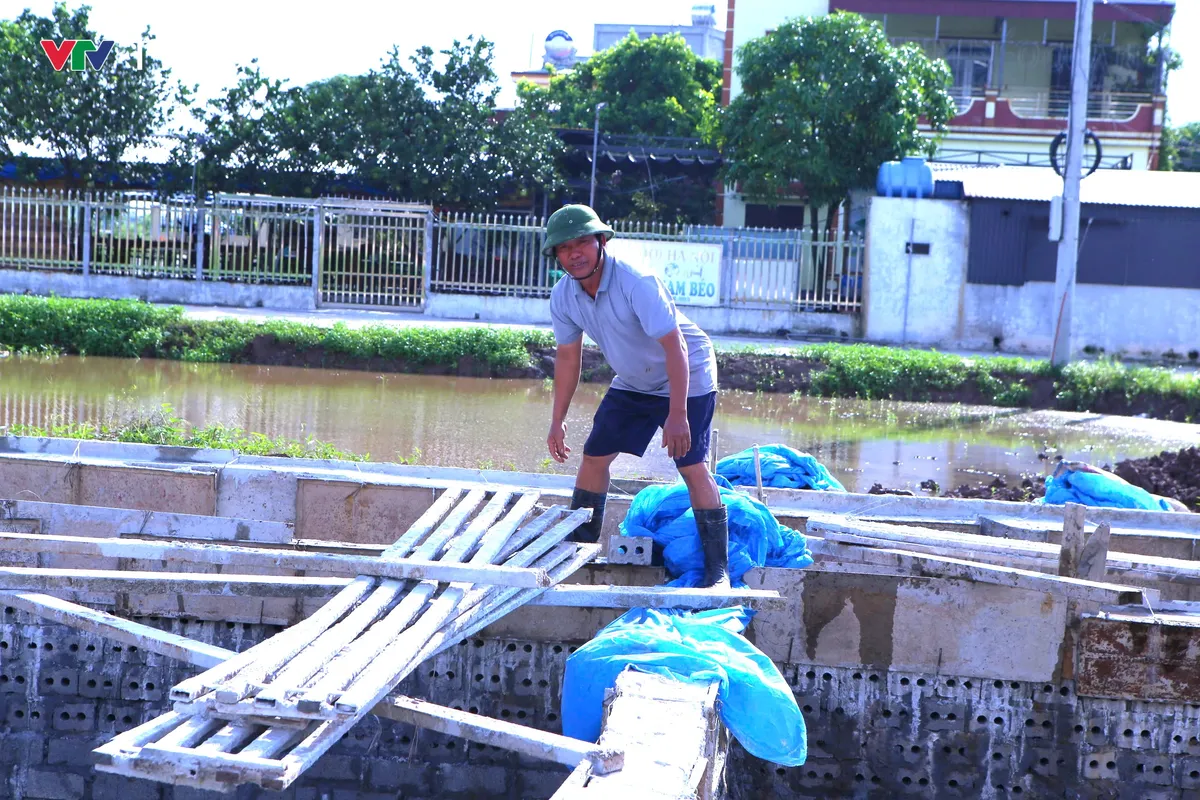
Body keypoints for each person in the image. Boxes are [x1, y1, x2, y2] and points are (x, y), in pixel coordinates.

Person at [542, 204, 729, 588]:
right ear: (556, 256)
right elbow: (567, 357)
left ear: (600, 242)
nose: (573, 253)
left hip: (686, 373)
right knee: (594, 457)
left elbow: (675, 346)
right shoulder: (563, 296)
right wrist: (557, 419)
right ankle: (579, 552)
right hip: (633, 381)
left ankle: (717, 571)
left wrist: (677, 414)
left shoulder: (634, 280)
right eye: (564, 248)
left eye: (581, 243)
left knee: (691, 464)